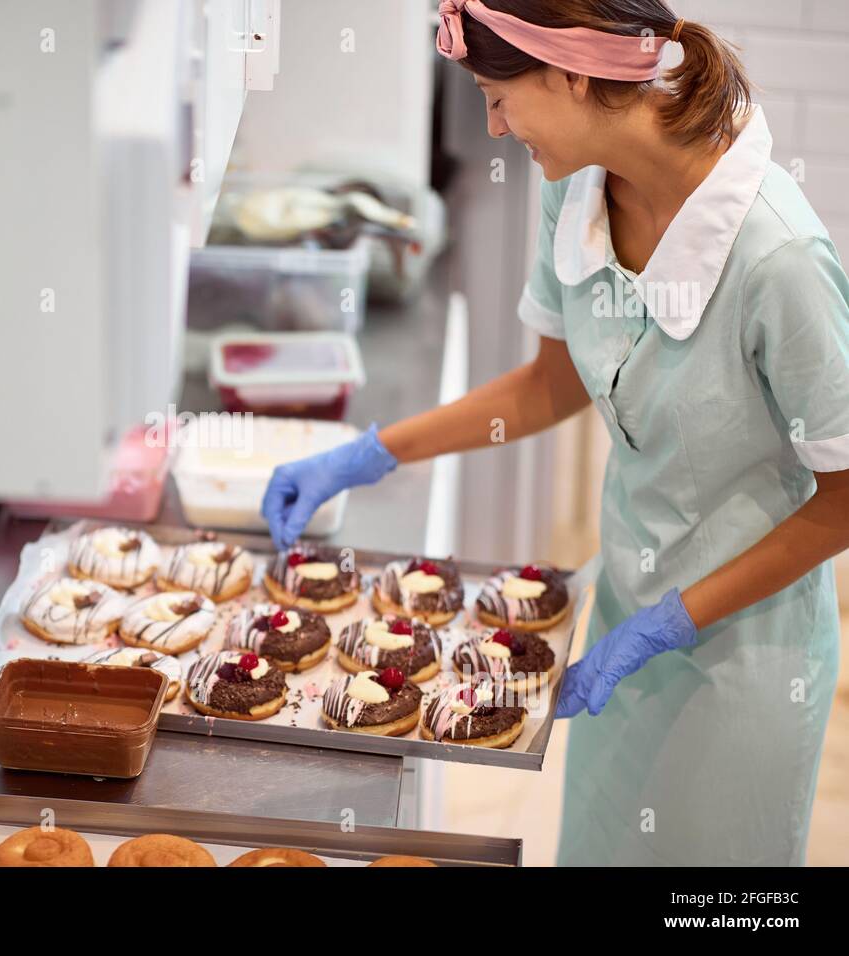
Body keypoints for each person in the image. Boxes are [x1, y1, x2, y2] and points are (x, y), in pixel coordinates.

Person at [261, 0, 849, 866]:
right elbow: (551, 383)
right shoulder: (577, 188)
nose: (496, 129)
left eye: (500, 98)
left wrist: (675, 622)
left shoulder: (777, 259)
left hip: (739, 663)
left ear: (575, 73)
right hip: (623, 621)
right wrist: (372, 453)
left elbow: (842, 501)